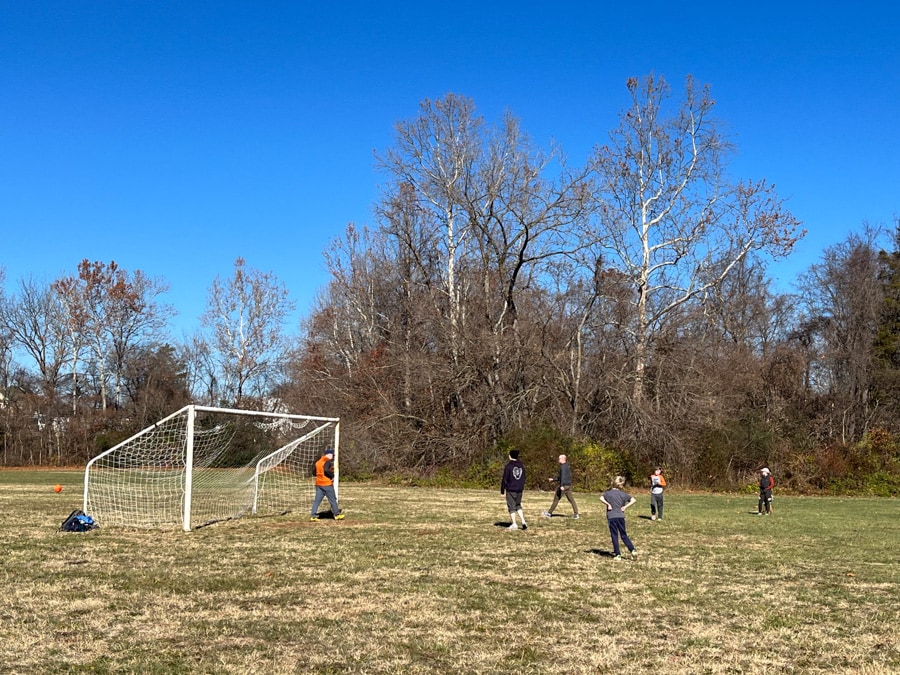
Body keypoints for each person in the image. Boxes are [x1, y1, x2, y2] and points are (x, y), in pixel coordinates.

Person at [600, 476, 637, 560]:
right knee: (624, 535)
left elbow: (601, 498)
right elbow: (633, 500)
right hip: (621, 516)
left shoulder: (608, 493)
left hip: (611, 517)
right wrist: (625, 507)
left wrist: (608, 504)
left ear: (612, 483)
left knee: (614, 535)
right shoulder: (623, 494)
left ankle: (617, 554)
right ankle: (632, 550)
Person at [310, 448, 345, 521]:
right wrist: (332, 476)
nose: (333, 456)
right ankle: (337, 514)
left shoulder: (318, 462)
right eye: (332, 455)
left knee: (317, 501)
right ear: (328, 455)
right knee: (333, 499)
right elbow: (326, 470)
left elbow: (313, 472)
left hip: (318, 484)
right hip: (326, 484)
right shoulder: (327, 461)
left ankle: (313, 516)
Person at [542, 454, 579, 519]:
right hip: (568, 485)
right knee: (572, 500)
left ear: (563, 459)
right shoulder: (567, 466)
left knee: (556, 499)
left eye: (559, 459)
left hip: (564, 486)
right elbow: (561, 477)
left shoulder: (563, 467)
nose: (558, 460)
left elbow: (563, 477)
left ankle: (549, 513)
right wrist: (553, 479)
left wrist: (561, 486)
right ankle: (576, 514)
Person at [500, 449, 528, 531]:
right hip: (519, 489)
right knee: (518, 505)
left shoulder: (509, 466)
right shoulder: (521, 466)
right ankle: (523, 521)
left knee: (511, 507)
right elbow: (523, 477)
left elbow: (505, 479)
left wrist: (502, 490)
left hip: (511, 489)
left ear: (510, 456)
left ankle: (514, 523)